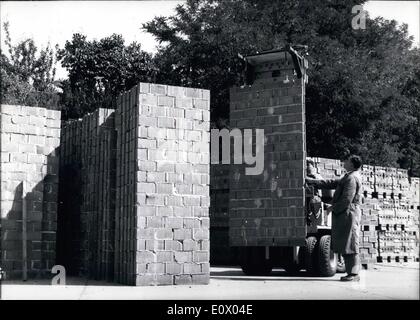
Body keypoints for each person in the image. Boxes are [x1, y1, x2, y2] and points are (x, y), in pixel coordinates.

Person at [306, 155, 363, 282]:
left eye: (347, 161)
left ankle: (353, 274)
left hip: (349, 213)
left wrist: (332, 208)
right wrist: (312, 181)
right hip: (347, 213)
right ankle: (351, 273)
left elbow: (346, 199)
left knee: (350, 243)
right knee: (347, 243)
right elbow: (331, 183)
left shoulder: (352, 178)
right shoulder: (348, 176)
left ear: (352, 164)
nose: (344, 162)